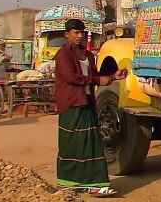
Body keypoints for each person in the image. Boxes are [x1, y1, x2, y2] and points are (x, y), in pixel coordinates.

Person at [54, 19, 126, 197]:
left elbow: (95, 76)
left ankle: (95, 184)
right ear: (67, 34)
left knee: (91, 143)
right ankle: (67, 183)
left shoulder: (88, 55)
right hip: (71, 103)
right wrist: (97, 80)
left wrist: (112, 76)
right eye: (76, 33)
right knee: (70, 145)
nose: (80, 36)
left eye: (82, 33)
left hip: (86, 102)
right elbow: (72, 77)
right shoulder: (63, 55)